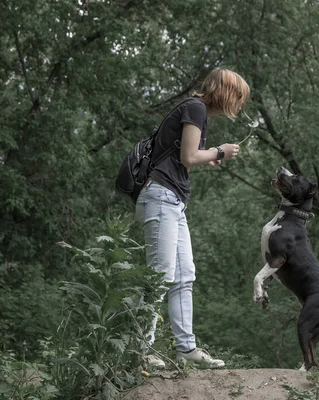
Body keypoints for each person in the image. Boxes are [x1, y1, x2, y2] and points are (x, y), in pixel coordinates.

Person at [135, 68, 250, 369]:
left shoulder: (196, 111)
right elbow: (188, 157)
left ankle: (185, 348)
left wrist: (208, 155)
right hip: (161, 198)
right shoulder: (196, 108)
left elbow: (184, 156)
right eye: (239, 97)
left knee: (184, 274)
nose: (240, 105)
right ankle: (140, 350)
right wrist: (220, 152)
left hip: (172, 200)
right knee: (159, 274)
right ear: (225, 92)